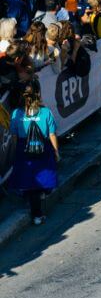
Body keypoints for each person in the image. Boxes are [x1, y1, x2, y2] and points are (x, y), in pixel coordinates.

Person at [9, 85, 60, 225]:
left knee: (30, 183)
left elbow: (14, 137)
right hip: (43, 150)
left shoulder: (16, 114)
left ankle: (36, 214)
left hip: (23, 151)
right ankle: (38, 209)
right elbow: (51, 134)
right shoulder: (45, 112)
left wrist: (16, 153)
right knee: (42, 181)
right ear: (38, 96)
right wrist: (56, 152)